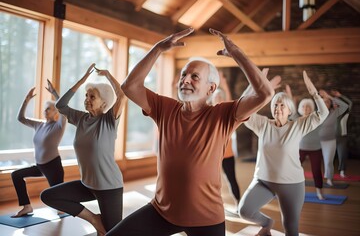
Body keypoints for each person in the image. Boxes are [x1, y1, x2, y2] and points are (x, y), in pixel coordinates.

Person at [106, 28, 274, 236]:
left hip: (207, 218)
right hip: (161, 212)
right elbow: (129, 86)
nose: (185, 80)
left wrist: (237, 54)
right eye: (184, 74)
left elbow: (265, 93)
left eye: (195, 77)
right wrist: (158, 48)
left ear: (211, 89)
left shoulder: (224, 114)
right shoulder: (165, 108)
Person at [238, 71, 329, 236]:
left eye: (282, 105)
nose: (277, 108)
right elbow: (240, 109)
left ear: (290, 110)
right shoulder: (263, 124)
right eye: (274, 104)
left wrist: (313, 92)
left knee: (291, 229)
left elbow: (323, 114)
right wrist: (255, 88)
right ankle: (267, 224)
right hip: (263, 181)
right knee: (244, 211)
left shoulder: (298, 125)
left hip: (292, 185)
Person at [41, 64, 126, 236]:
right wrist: (82, 81)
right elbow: (61, 105)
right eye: (86, 95)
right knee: (48, 196)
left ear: (104, 103)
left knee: (112, 233)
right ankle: (95, 219)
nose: (87, 99)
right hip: (87, 184)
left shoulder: (109, 120)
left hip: (109, 186)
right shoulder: (80, 118)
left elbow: (122, 95)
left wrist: (108, 74)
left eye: (92, 96)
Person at [12, 80, 66, 217]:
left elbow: (64, 107)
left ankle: (66, 206)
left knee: (60, 204)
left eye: (49, 108)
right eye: (45, 108)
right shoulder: (39, 125)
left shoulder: (58, 126)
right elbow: (20, 118)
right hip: (40, 166)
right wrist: (27, 99)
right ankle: (27, 206)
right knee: (16, 175)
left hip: (53, 166)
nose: (45, 110)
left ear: (56, 112)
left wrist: (54, 93)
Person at [211, 72, 241, 207]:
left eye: (220, 96)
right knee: (211, 181)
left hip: (227, 155)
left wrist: (223, 83)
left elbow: (229, 100)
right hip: (212, 155)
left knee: (231, 180)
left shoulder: (226, 113)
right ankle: (212, 204)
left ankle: (238, 203)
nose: (218, 98)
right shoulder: (208, 112)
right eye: (216, 96)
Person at [318, 89, 348, 186]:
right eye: (323, 102)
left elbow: (345, 106)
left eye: (327, 102)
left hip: (330, 141)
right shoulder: (317, 113)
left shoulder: (334, 113)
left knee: (328, 161)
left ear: (330, 104)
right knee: (316, 162)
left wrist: (329, 96)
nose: (325, 104)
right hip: (317, 142)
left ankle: (329, 178)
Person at [298, 98, 325, 200]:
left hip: (315, 148)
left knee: (316, 170)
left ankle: (319, 192)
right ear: (301, 108)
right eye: (304, 106)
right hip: (301, 148)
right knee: (293, 168)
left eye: (308, 106)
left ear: (312, 108)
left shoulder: (316, 119)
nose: (306, 108)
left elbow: (323, 112)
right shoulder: (298, 119)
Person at [330, 90, 352, 178]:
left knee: (342, 155)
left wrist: (340, 95)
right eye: (334, 103)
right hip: (331, 137)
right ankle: (329, 172)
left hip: (342, 137)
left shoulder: (345, 112)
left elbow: (350, 103)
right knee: (329, 156)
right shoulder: (330, 113)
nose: (335, 104)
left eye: (337, 103)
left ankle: (342, 171)